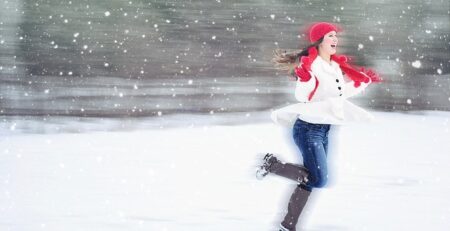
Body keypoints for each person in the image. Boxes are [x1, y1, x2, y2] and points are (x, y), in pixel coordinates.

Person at [256, 22, 382, 231]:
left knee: (311, 179)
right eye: (331, 36)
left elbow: (335, 97)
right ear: (320, 40)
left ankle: (287, 226)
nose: (335, 39)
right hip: (308, 130)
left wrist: (362, 83)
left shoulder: (333, 66)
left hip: (324, 130)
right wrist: (304, 79)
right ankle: (273, 166)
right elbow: (304, 96)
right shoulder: (312, 65)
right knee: (319, 179)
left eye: (335, 36)